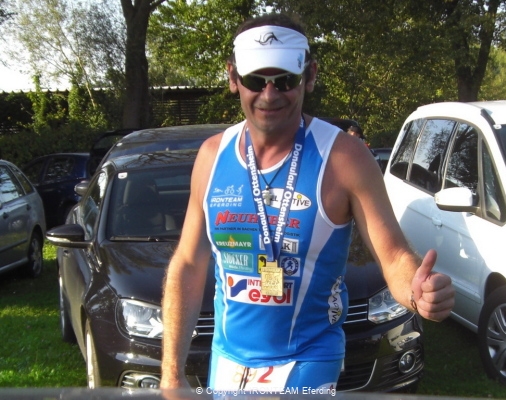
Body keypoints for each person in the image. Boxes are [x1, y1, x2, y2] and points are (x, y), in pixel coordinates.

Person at [160, 12, 454, 392]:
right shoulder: (211, 157)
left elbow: (394, 256)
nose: (269, 95)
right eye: (256, 80)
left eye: (285, 80)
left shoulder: (345, 158)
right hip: (228, 360)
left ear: (309, 75)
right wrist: (171, 372)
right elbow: (187, 263)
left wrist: (418, 291)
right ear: (233, 78)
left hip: (307, 359)